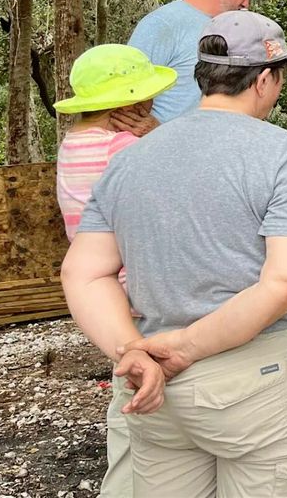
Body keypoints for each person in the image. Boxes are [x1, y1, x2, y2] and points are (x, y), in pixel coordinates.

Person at [61, 10, 287, 496]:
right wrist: (184, 349)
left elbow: (82, 273)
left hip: (155, 389)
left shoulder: (128, 159)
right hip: (259, 379)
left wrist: (133, 353)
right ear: (265, 79)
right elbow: (286, 283)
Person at [53, 44, 175, 498]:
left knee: (128, 373)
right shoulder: (126, 146)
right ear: (132, 103)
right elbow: (179, 186)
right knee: (158, 381)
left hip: (104, 290)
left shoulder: (72, 144)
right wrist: (157, 133)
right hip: (140, 282)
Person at [115, 0, 263, 136]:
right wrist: (158, 135)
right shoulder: (162, 24)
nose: (246, 4)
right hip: (166, 156)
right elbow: (124, 99)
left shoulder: (229, 28)